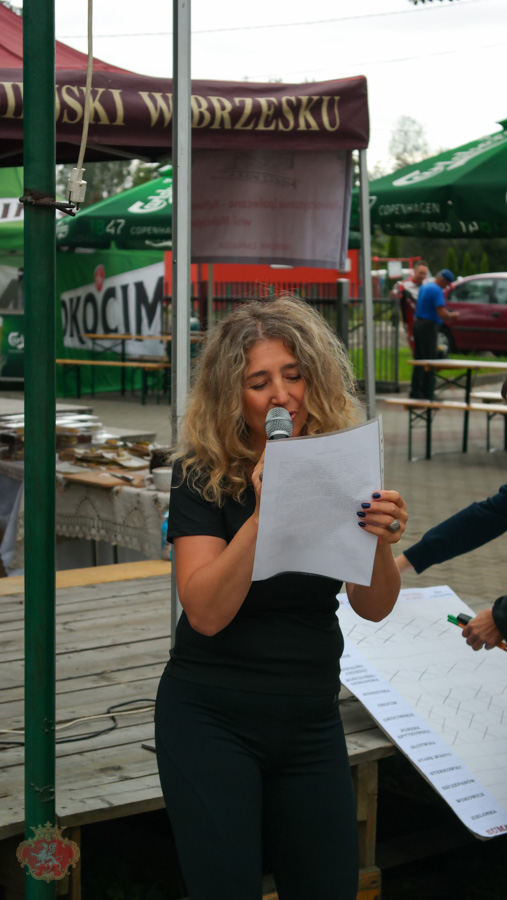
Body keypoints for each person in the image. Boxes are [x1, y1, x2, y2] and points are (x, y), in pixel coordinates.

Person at [155, 295, 408, 900]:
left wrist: (380, 540)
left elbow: (373, 606)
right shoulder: (200, 474)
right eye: (259, 382)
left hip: (310, 718)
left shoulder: (342, 465)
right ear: (231, 395)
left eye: (293, 376)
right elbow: (204, 612)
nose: (281, 396)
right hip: (212, 717)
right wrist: (265, 511)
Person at [409, 268, 459, 399]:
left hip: (418, 324)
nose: (446, 287)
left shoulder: (425, 286)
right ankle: (428, 392)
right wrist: (452, 315)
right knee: (429, 360)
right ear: (442, 280)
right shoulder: (437, 290)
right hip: (428, 326)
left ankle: (415, 391)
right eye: (446, 284)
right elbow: (441, 313)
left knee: (419, 359)